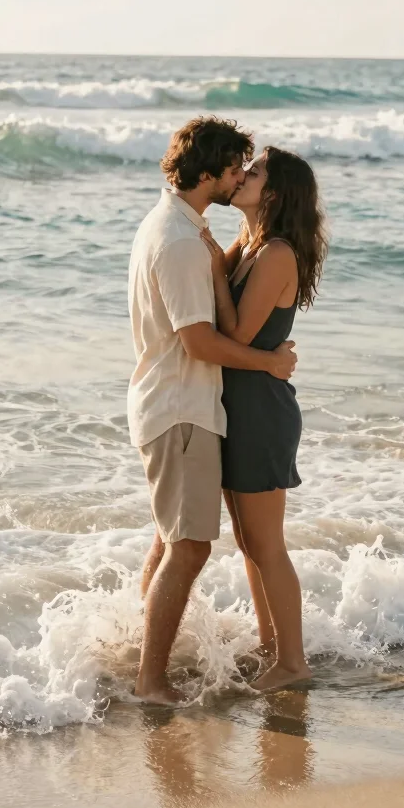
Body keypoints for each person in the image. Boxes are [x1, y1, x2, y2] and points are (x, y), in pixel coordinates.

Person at [128, 118, 298, 705]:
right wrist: (270, 363)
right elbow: (204, 341)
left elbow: (227, 315)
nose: (239, 177)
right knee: (189, 546)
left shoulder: (186, 230)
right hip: (182, 406)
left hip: (193, 406)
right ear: (209, 173)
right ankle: (151, 677)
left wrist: (267, 362)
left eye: (249, 171)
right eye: (234, 168)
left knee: (177, 541)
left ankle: (147, 660)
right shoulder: (181, 240)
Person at [200, 146, 328, 691]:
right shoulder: (249, 244)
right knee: (251, 543)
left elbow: (235, 337)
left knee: (267, 544)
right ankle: (271, 645)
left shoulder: (275, 252)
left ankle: (293, 663)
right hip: (239, 407)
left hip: (260, 414)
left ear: (272, 193)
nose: (241, 177)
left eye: (253, 173)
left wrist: (210, 262)